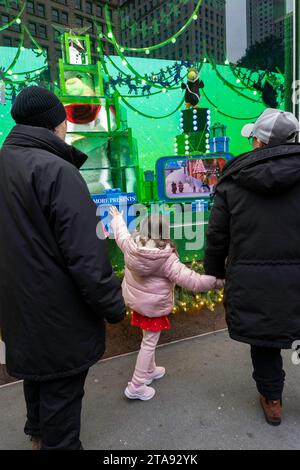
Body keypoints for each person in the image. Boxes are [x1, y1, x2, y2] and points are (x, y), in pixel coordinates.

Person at [0, 86, 125, 450]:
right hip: (58, 312)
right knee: (61, 390)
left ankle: (37, 433)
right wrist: (113, 306)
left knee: (37, 373)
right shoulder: (58, 171)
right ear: (58, 124)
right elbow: (86, 256)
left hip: (16, 304)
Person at [204, 108, 300, 426]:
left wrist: (215, 271)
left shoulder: (233, 181)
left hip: (253, 279)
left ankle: (272, 400)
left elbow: (218, 235)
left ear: (258, 142)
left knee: (265, 338)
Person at [110, 207, 223, 401]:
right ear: (165, 233)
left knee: (147, 338)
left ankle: (150, 370)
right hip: (153, 307)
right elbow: (193, 281)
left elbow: (121, 233)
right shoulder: (166, 258)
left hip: (137, 302)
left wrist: (117, 218)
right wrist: (217, 282)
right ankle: (137, 384)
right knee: (149, 342)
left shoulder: (131, 245)